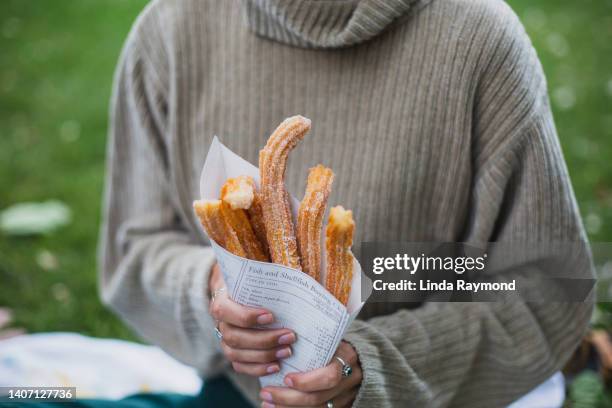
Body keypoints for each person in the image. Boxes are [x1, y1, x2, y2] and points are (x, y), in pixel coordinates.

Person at [99, 0, 594, 407]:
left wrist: (370, 363)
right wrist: (212, 287)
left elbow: (549, 290)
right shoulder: (170, 29)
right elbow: (135, 248)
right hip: (242, 393)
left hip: (445, 394)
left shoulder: (479, 41)